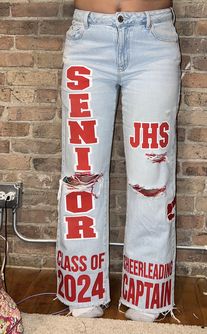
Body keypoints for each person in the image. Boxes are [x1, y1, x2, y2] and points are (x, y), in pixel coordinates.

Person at [56, 0, 181, 323]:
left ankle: (146, 292)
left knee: (152, 176)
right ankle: (82, 290)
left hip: (153, 40)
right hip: (88, 38)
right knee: (81, 173)